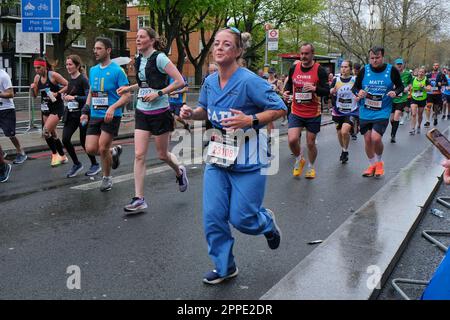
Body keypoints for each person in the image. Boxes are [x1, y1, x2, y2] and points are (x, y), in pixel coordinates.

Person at [180, 27, 286, 284]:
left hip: (249, 158)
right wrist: (192, 114)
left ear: (238, 51)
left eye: (226, 44)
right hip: (218, 156)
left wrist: (250, 119)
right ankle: (224, 267)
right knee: (213, 215)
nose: (218, 48)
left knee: (243, 218)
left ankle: (266, 223)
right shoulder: (209, 81)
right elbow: (205, 110)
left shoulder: (250, 81)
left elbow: (280, 108)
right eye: (216, 43)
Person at [116, 27, 187, 212]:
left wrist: (159, 93)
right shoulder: (139, 59)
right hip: (142, 111)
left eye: (141, 37)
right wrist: (128, 89)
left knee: (162, 155)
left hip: (160, 112)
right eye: (137, 37)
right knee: (139, 154)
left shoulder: (160, 58)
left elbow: (180, 81)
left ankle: (179, 171)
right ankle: (139, 199)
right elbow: (143, 84)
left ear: (152, 40)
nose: (137, 40)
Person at [82, 37, 131, 192]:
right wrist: (85, 109)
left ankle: (107, 177)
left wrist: (113, 107)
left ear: (108, 50)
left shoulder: (118, 70)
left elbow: (127, 95)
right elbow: (92, 90)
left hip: (112, 115)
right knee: (90, 148)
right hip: (95, 114)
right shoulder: (93, 70)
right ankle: (113, 152)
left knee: (102, 148)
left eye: (99, 48)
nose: (95, 51)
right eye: (95, 48)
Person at [352, 46, 404, 178]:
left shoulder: (391, 70)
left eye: (377, 57)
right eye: (372, 58)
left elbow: (400, 86)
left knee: (376, 138)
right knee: (368, 139)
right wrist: (359, 92)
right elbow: (355, 88)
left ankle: (379, 162)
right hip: (365, 109)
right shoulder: (364, 70)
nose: (374, 60)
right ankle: (372, 165)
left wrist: (395, 92)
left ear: (383, 57)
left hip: (382, 109)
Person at [283, 43, 330, 179]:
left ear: (312, 54)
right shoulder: (294, 68)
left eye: (306, 54)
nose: (303, 56)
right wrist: (286, 92)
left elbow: (326, 91)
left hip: (313, 113)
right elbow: (289, 83)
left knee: (310, 143)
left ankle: (311, 166)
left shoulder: (319, 70)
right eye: (302, 53)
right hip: (296, 111)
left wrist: (315, 89)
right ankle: (299, 159)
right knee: (292, 140)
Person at [62, 55, 101, 178]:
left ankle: (95, 164)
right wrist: (65, 97)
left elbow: (88, 97)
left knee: (84, 142)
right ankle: (77, 164)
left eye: (70, 64)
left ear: (77, 66)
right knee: (65, 139)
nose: (68, 67)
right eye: (67, 64)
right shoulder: (70, 81)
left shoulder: (83, 79)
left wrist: (74, 98)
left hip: (82, 115)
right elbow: (70, 95)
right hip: (71, 114)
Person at [30, 57, 69, 167]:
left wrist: (58, 93)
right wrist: (33, 88)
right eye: (35, 68)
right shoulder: (37, 78)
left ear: (45, 66)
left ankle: (54, 155)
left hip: (56, 107)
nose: (37, 70)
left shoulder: (53, 75)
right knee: (53, 133)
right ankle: (62, 156)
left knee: (46, 131)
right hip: (45, 108)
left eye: (39, 67)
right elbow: (35, 95)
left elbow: (67, 84)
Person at [329, 60, 359, 163]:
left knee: (344, 131)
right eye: (342, 67)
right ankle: (344, 150)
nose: (343, 69)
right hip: (338, 110)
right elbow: (330, 90)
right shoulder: (336, 79)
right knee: (339, 133)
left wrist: (360, 95)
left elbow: (361, 90)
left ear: (350, 69)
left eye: (346, 67)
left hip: (351, 110)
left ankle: (345, 149)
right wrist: (331, 91)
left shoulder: (355, 79)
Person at [0, 68, 27, 164]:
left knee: (10, 134)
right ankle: (1, 154)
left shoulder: (3, 76)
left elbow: (11, 94)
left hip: (6, 109)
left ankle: (21, 152)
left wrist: (0, 94)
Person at [389, 58, 413, 143]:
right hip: (392, 99)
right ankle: (394, 129)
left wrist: (408, 87)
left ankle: (393, 135)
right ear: (395, 65)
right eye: (397, 64)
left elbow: (411, 83)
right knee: (392, 119)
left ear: (403, 65)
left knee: (397, 115)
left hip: (402, 98)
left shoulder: (407, 74)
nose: (399, 65)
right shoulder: (392, 74)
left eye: (400, 64)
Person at [409, 66, 431, 135]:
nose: (421, 73)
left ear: (424, 73)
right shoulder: (413, 79)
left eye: (422, 72)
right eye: (420, 72)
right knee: (414, 114)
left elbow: (429, 89)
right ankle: (413, 128)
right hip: (414, 98)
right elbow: (409, 86)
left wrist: (423, 87)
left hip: (422, 99)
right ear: (417, 72)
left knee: (420, 114)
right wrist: (409, 88)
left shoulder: (426, 80)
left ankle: (418, 126)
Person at [426, 62, 447, 127]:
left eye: (437, 65)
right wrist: (427, 86)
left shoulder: (441, 74)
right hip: (430, 93)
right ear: (433, 66)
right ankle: (427, 121)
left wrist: (442, 84)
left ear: (438, 67)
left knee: (436, 107)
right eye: (434, 65)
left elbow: (446, 83)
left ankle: (435, 118)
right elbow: (426, 82)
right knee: (428, 106)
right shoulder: (429, 74)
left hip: (437, 93)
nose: (435, 66)